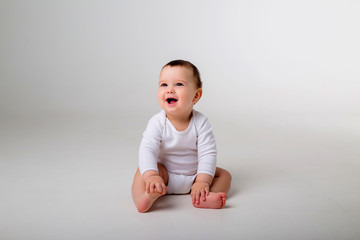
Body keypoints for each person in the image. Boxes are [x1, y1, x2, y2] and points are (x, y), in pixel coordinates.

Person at [131, 60, 232, 213]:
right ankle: (143, 198)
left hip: (195, 176)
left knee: (224, 175)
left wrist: (203, 181)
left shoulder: (201, 122)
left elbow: (207, 153)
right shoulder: (157, 122)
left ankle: (204, 196)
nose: (169, 90)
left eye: (178, 84)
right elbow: (148, 149)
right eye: (164, 85)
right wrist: (152, 176)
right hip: (164, 176)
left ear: (196, 95)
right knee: (143, 170)